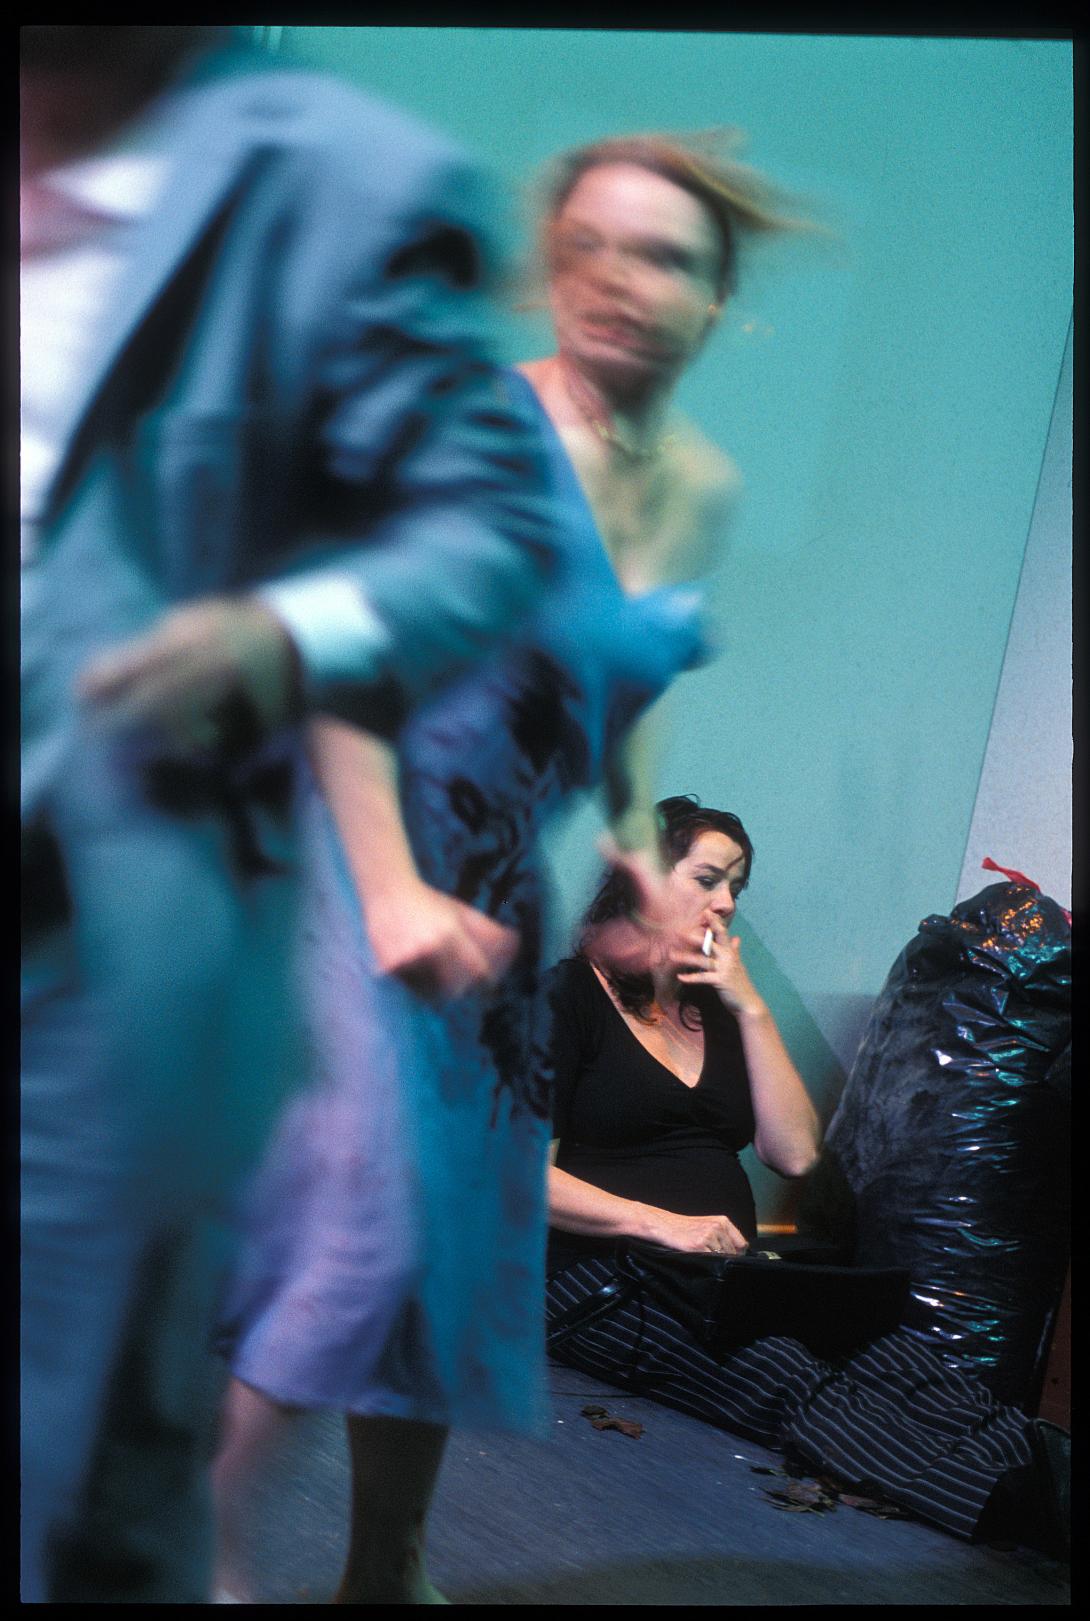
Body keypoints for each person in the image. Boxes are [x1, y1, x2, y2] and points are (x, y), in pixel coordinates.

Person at [211, 132, 803, 1603]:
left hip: (485, 886)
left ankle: (386, 1564)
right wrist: (390, 894)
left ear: (717, 296)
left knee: (455, 1244)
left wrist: (630, 841)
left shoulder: (700, 487)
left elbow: (628, 676)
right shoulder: (478, 431)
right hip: (349, 851)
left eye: (659, 254)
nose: (616, 279)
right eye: (587, 245)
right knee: (375, 1215)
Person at [20, 24, 567, 1604]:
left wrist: (282, 633)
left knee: (122, 1401)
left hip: (129, 898)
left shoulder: (340, 185)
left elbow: (479, 539)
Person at [545, 795, 1069, 1557]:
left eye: (736, 886)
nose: (727, 902)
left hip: (718, 1279)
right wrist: (663, 1224)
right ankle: (1020, 1514)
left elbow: (791, 1152)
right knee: (782, 1373)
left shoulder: (714, 1012)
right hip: (598, 1282)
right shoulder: (565, 997)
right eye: (707, 878)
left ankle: (1052, 1471)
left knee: (895, 1358)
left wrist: (751, 1008)